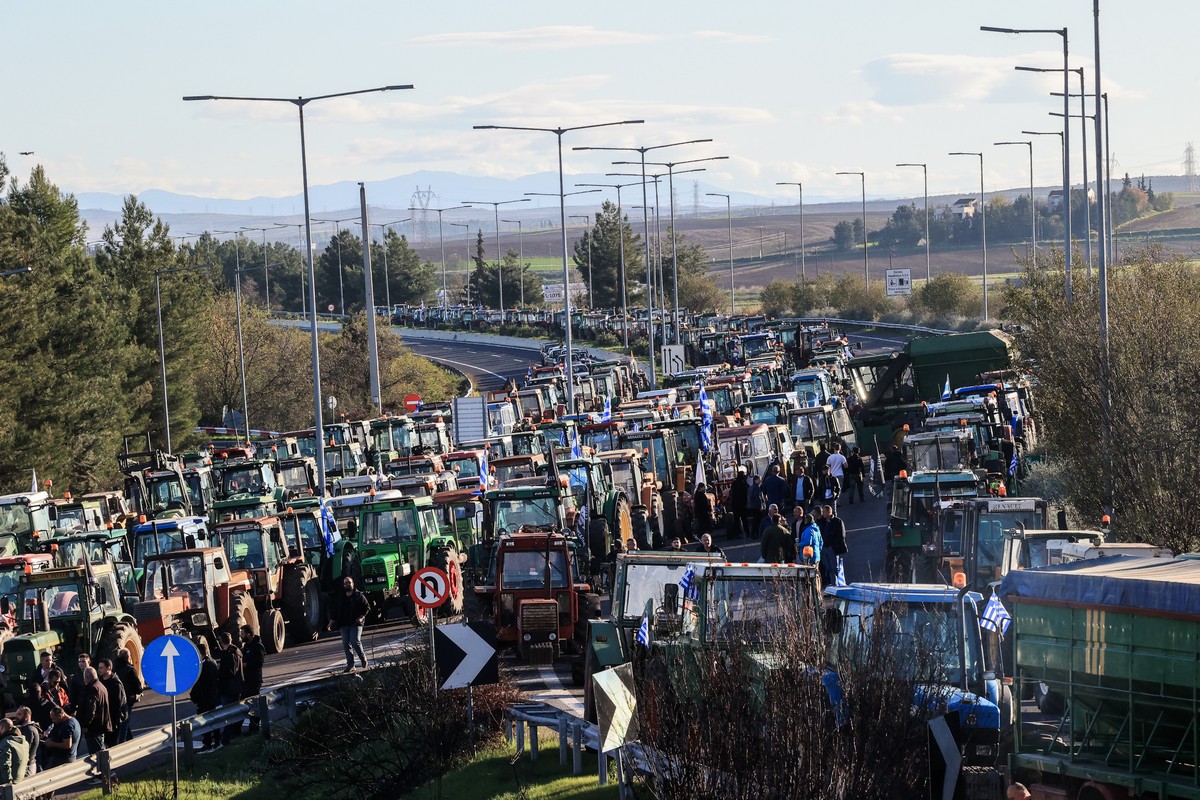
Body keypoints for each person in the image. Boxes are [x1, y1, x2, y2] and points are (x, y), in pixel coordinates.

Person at [328, 576, 370, 673]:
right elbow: (336, 611)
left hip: (356, 623)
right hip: (343, 624)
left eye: (349, 582)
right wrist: (331, 622)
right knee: (346, 644)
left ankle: (363, 658)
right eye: (345, 583)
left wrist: (362, 616)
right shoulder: (341, 597)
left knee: (355, 641)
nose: (347, 584)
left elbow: (367, 607)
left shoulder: (359, 595)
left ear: (353, 583)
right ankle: (351, 665)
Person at [190, 639, 221, 753]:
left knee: (203, 722)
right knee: (213, 720)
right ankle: (217, 741)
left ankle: (207, 743)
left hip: (205, 699)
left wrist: (194, 696)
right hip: (211, 697)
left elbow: (200, 684)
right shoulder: (212, 662)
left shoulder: (204, 666)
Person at [74, 667, 110, 759]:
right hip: (102, 723)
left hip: (94, 727)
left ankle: (104, 770)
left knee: (97, 752)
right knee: (101, 749)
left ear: (86, 677)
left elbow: (91, 709)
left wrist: (86, 724)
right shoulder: (101, 686)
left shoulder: (92, 689)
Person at [216, 632, 244, 745]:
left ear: (221, 642)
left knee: (228, 714)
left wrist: (218, 674)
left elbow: (229, 672)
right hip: (235, 687)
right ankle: (234, 733)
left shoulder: (230, 655)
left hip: (229, 689)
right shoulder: (236, 651)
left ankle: (226, 738)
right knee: (235, 713)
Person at [95, 659, 127, 749]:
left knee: (112, 744)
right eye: (99, 668)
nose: (99, 670)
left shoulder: (116, 683)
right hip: (103, 719)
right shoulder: (100, 681)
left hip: (113, 720)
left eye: (101, 668)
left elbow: (118, 704)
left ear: (108, 668)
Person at [114, 650, 144, 743]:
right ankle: (122, 744)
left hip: (116, 699)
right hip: (127, 700)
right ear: (128, 657)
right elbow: (138, 687)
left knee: (124, 721)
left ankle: (130, 741)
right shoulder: (129, 670)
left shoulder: (114, 669)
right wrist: (139, 691)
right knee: (125, 723)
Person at [819, 505, 848, 586]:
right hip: (824, 548)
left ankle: (839, 584)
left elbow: (841, 535)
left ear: (828, 512)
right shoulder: (823, 521)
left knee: (835, 568)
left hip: (832, 548)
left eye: (824, 512)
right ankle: (833, 583)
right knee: (828, 568)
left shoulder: (837, 521)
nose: (822, 514)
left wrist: (834, 547)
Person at [0, 718, 29, 785]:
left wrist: (7, 784)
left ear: (1, 728)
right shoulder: (24, 742)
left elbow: (5, 765)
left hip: (9, 783)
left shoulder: (6, 743)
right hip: (20, 779)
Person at [13, 706, 40, 777]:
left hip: (27, 767)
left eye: (19, 714)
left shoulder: (29, 730)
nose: (16, 716)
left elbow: (25, 750)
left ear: (27, 716)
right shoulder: (24, 728)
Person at [728, 468, 749, 540]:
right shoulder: (744, 484)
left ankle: (737, 533)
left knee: (736, 519)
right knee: (744, 520)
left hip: (735, 504)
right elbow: (747, 493)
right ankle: (747, 533)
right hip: (742, 504)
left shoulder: (734, 483)